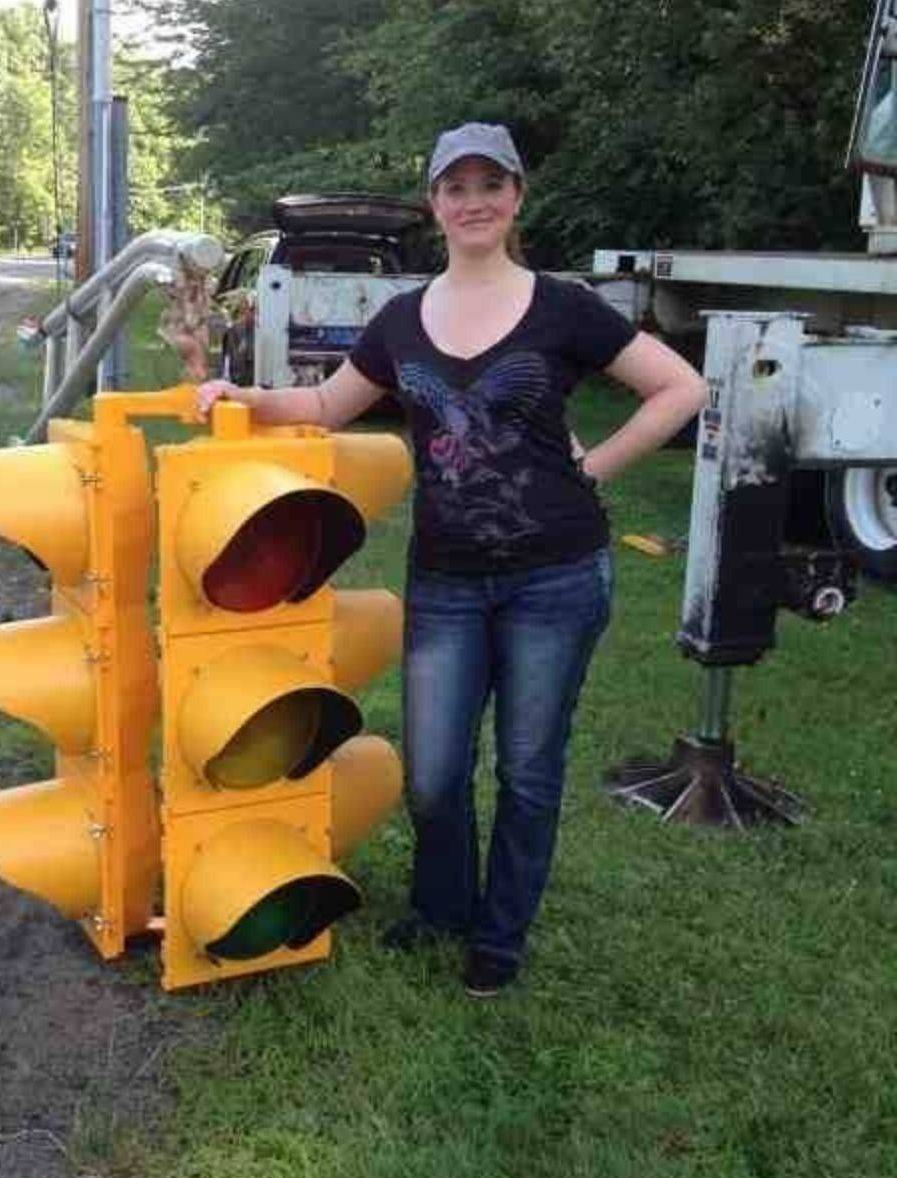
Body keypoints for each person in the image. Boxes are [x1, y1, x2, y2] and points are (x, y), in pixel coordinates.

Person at [196, 122, 707, 997]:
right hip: (446, 584)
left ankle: (498, 934)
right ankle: (441, 906)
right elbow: (326, 401)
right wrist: (242, 395)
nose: (474, 201)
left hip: (557, 576)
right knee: (433, 774)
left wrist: (593, 468)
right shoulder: (400, 319)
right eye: (455, 187)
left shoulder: (564, 305)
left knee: (528, 768)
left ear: (516, 197)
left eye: (490, 185)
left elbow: (682, 387)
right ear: (435, 204)